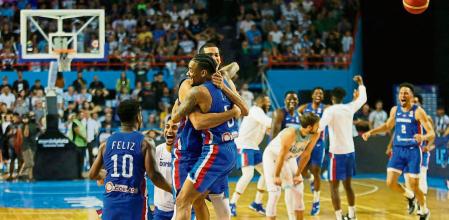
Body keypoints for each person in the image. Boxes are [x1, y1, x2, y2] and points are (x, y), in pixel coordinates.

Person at [171, 43, 245, 220]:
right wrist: (233, 112)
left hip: (211, 149)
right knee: (208, 201)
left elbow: (195, 122)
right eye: (211, 56)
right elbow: (243, 109)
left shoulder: (214, 85)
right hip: (200, 149)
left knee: (184, 201)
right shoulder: (189, 84)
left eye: (218, 55)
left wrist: (175, 112)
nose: (216, 59)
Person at [89, 99, 172, 220]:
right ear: (138, 117)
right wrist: (173, 190)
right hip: (134, 206)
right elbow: (154, 176)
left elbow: (92, 174)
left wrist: (107, 174)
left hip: (110, 205)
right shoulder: (145, 142)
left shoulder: (105, 144)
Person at [362, 83, 434, 219]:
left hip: (413, 151)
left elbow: (432, 133)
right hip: (398, 150)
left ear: (411, 96)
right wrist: (371, 132)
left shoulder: (418, 111)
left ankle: (424, 209)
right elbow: (387, 126)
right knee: (390, 183)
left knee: (414, 184)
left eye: (406, 93)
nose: (403, 95)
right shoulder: (395, 110)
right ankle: (410, 196)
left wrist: (422, 137)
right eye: (401, 93)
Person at [319, 75, 366, 220]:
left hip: (336, 154)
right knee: (348, 186)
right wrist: (361, 84)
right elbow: (362, 99)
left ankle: (339, 217)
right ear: (342, 97)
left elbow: (320, 127)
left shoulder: (329, 111)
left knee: (333, 187)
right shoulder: (349, 108)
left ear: (332, 98)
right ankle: (352, 215)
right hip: (350, 152)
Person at [263, 113, 321, 220]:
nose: (319, 127)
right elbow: (281, 155)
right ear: (309, 127)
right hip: (272, 157)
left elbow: (306, 154)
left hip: (289, 158)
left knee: (298, 190)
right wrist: (276, 176)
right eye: (317, 124)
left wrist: (298, 174)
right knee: (275, 194)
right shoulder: (290, 133)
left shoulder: (315, 133)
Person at [230, 94, 272, 216]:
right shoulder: (255, 110)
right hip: (244, 146)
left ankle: (257, 203)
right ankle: (232, 203)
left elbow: (270, 129)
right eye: (266, 101)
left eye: (269, 102)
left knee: (266, 173)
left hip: (254, 147)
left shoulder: (262, 115)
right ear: (259, 102)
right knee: (248, 175)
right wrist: (282, 119)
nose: (268, 103)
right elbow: (269, 122)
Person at [297, 87, 328, 215]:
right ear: (312, 95)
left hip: (318, 142)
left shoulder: (326, 109)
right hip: (305, 141)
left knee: (316, 171)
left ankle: (316, 202)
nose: (318, 95)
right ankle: (310, 181)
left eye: (321, 93)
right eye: (316, 93)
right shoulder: (304, 107)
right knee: (302, 170)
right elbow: (297, 113)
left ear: (323, 96)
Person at [153, 116, 178, 220]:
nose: (169, 130)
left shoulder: (186, 153)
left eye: (174, 128)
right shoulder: (157, 151)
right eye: (167, 127)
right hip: (161, 211)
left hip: (181, 208)